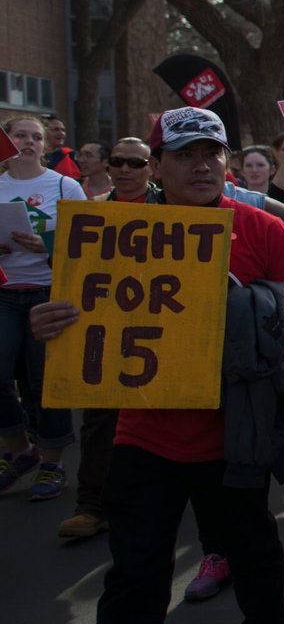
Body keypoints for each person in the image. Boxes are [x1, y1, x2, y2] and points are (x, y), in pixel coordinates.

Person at [31, 107, 284, 624]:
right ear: (156, 166)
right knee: (134, 578)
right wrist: (52, 322)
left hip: (233, 432)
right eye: (184, 155)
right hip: (145, 435)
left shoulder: (261, 226)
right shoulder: (111, 232)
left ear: (227, 161)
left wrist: (246, 301)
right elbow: (77, 313)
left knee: (251, 549)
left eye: (211, 153)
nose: (201, 166)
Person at [56, 138, 156, 539]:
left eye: (136, 162)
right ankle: (91, 505)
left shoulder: (174, 210)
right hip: (103, 326)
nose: (126, 169)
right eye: (118, 161)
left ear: (152, 167)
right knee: (99, 419)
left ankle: (149, 501)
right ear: (108, 166)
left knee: (156, 418)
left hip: (159, 326)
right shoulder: (89, 210)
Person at [0, 116, 87, 500]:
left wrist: (47, 244)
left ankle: (53, 463)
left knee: (46, 382)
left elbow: (87, 238)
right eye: (21, 135)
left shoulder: (65, 186)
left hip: (49, 292)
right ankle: (21, 450)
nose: (29, 141)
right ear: (8, 140)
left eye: (37, 136)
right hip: (5, 292)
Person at [42, 113, 81, 180]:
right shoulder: (33, 157)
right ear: (43, 132)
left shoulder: (71, 155)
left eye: (63, 130)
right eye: (56, 130)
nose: (61, 133)